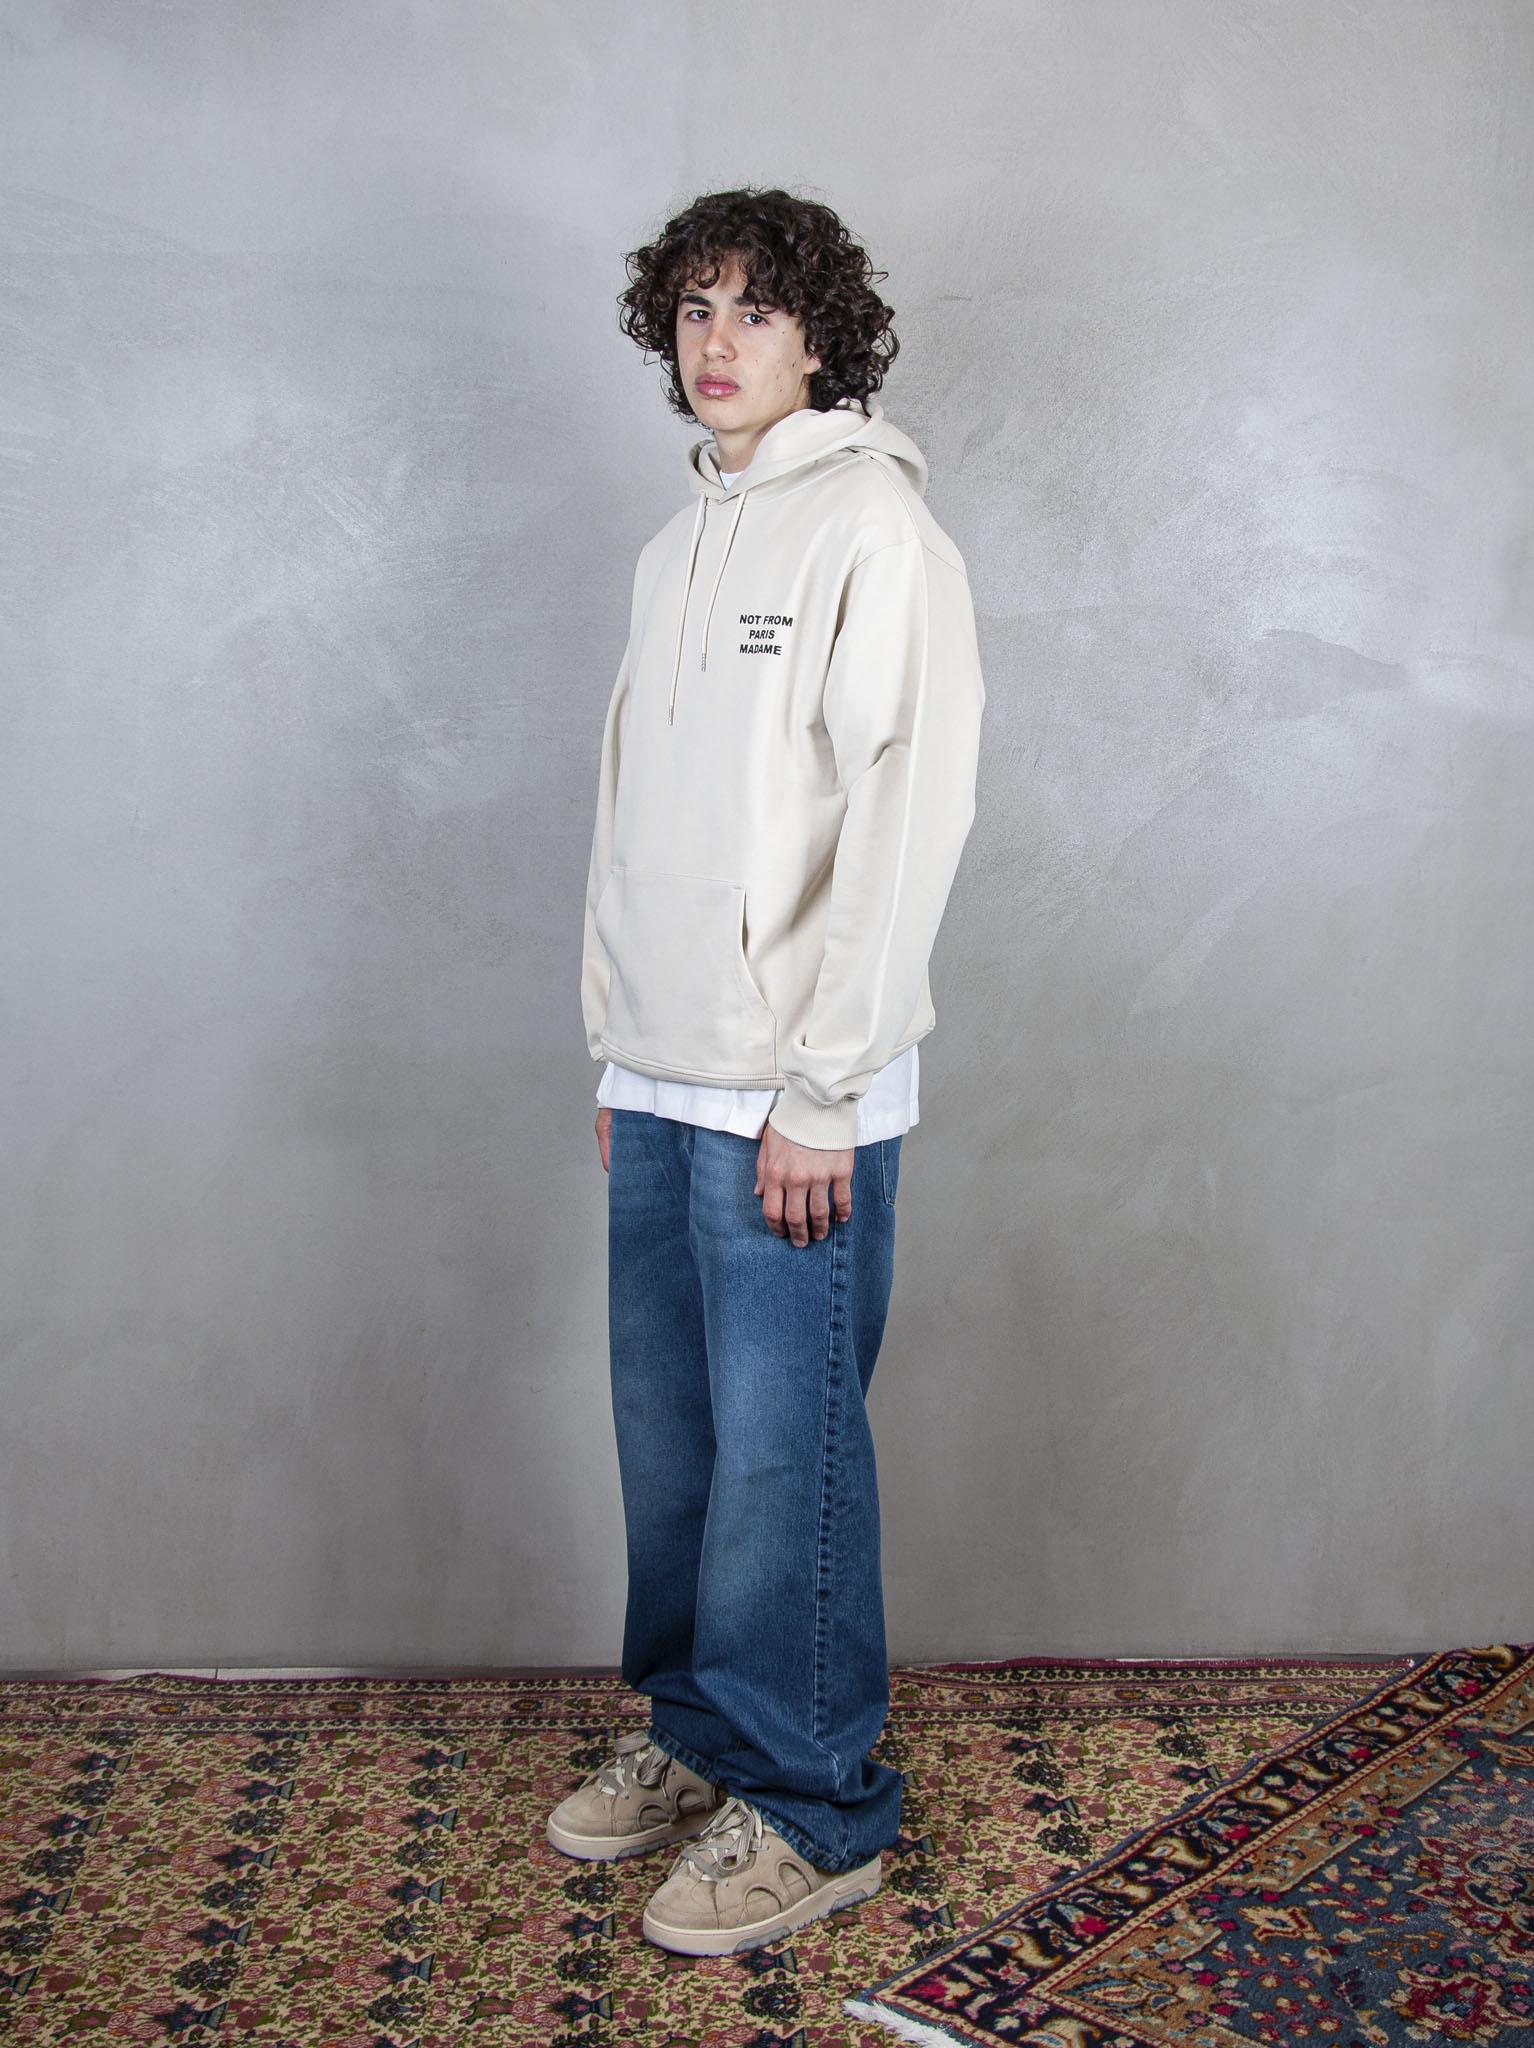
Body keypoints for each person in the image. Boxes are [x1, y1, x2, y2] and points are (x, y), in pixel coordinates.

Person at [549, 186, 986, 1958]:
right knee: (671, 1448)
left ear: (822, 339)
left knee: (777, 1464)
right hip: (664, 1076)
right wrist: (619, 1047)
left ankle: (812, 1804)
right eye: (691, 309)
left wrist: (824, 1087)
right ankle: (701, 1733)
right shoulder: (677, 547)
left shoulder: (873, 528)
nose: (715, 342)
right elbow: (634, 819)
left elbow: (903, 814)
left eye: (753, 310)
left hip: (797, 1097)